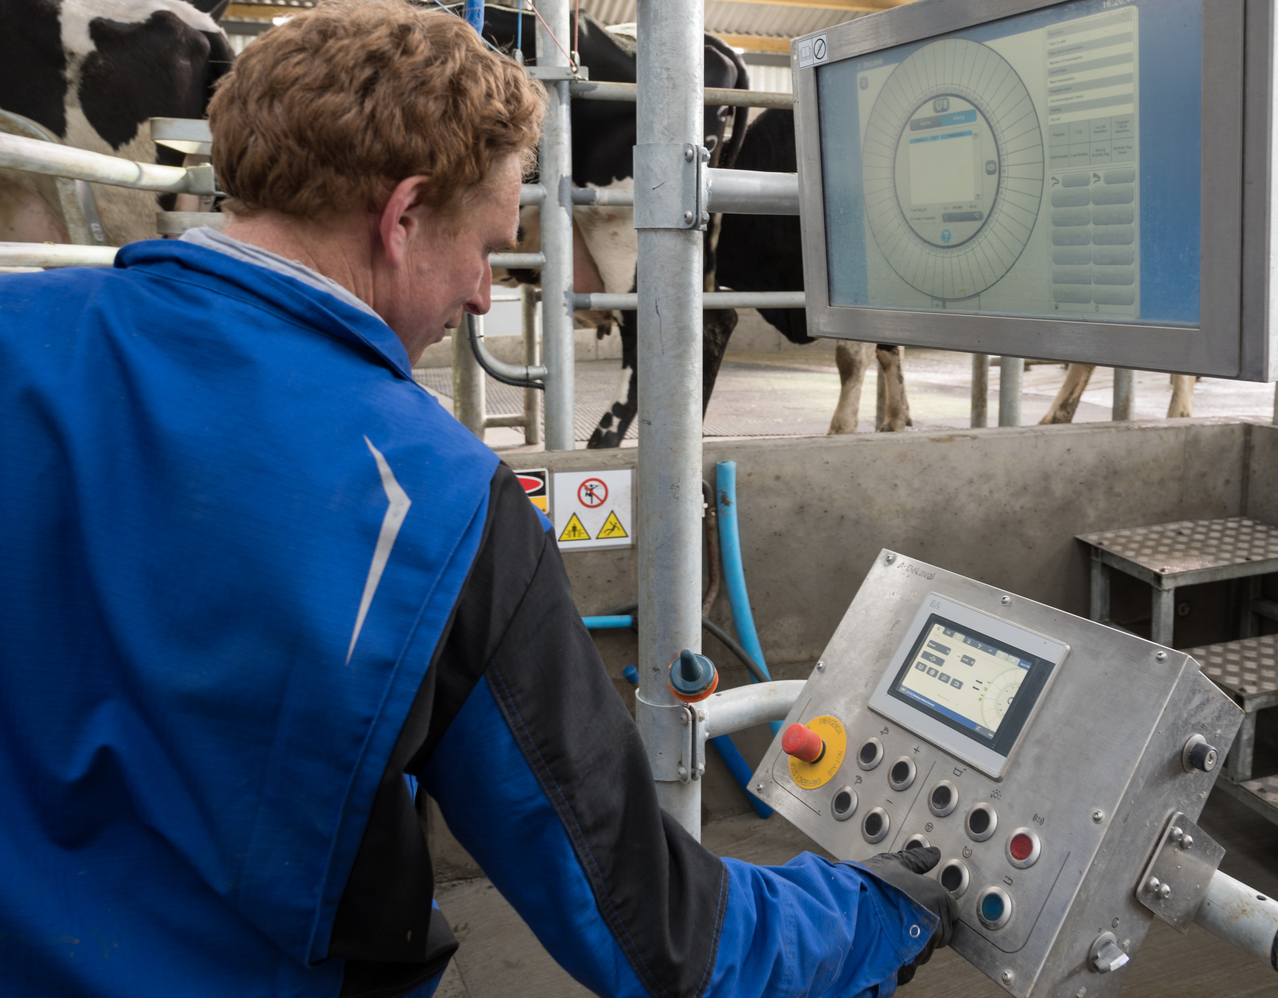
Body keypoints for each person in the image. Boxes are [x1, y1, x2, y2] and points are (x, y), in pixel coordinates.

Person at [0, 2, 956, 996]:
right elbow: (660, 928)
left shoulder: (16, 328)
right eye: (490, 247)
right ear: (403, 214)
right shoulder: (438, 499)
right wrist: (882, 908)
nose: (487, 295)